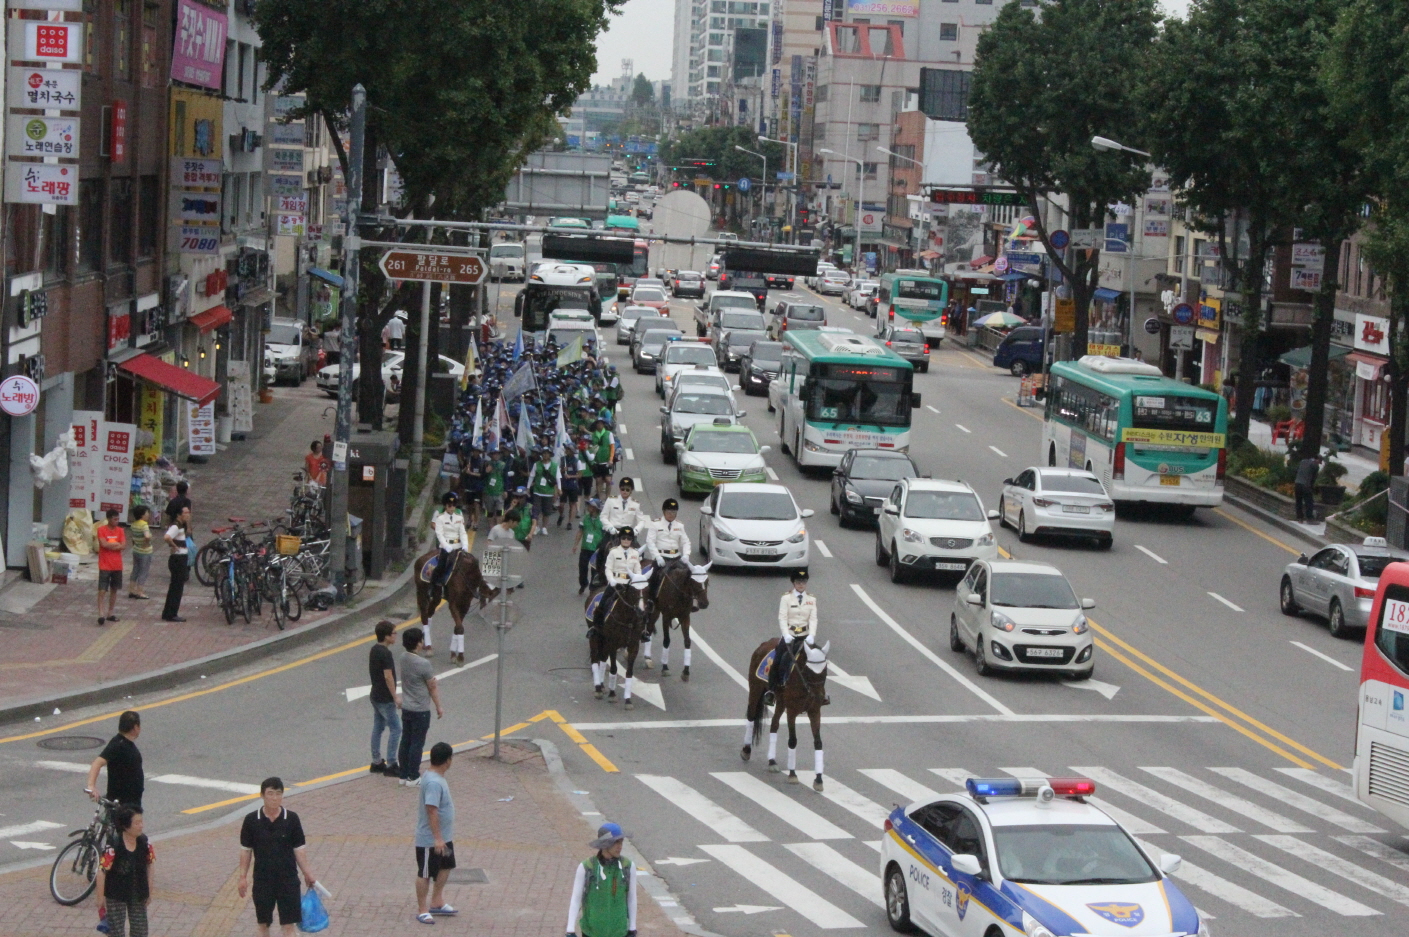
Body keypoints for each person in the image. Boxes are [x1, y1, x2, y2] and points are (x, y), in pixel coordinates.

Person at [238, 778, 319, 937]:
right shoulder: (251, 820)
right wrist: (242, 877)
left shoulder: (292, 819)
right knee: (263, 925)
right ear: (262, 795)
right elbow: (246, 850)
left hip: (288, 880)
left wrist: (308, 873)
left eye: (278, 794)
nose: (274, 798)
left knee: (289, 926)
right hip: (262, 880)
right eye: (270, 794)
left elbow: (299, 850)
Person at [564, 822, 637, 937]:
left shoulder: (627, 866)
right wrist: (570, 929)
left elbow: (631, 897)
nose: (620, 846)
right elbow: (576, 898)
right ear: (605, 844)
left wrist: (632, 927)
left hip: (619, 932)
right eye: (615, 842)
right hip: (591, 932)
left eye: (621, 841)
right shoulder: (587, 867)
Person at [414, 742, 458, 924]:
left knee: (446, 866)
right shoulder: (433, 782)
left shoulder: (435, 776)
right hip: (430, 840)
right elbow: (432, 810)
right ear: (447, 761)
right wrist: (437, 838)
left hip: (444, 837)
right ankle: (423, 909)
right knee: (425, 873)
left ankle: (437, 901)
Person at [95, 805, 154, 937]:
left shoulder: (144, 842)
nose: (141, 826)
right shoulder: (114, 844)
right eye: (137, 823)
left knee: (140, 931)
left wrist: (149, 889)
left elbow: (150, 864)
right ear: (126, 826)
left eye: (141, 822)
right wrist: (100, 898)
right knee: (116, 932)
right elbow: (102, 871)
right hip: (116, 893)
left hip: (138, 891)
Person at [765, 569, 821, 707]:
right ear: (793, 583)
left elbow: (813, 619)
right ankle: (771, 691)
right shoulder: (786, 598)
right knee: (779, 660)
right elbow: (782, 617)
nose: (801, 584)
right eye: (798, 582)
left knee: (820, 660)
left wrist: (812, 635)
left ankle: (821, 692)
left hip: (805, 637)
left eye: (803, 582)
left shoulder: (811, 599)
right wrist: (786, 634)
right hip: (790, 635)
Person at [396, 627, 442, 785]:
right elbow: (432, 687)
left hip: (407, 707)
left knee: (406, 741)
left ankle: (403, 775)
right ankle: (413, 776)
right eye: (421, 640)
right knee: (417, 743)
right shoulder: (424, 663)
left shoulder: (403, 657)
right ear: (418, 643)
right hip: (420, 709)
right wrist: (438, 706)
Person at [590, 526, 642, 639]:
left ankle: (642, 631)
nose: (626, 541)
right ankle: (596, 627)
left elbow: (637, 569)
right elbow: (608, 568)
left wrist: (636, 579)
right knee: (603, 603)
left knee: (640, 606)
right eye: (624, 538)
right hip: (616, 582)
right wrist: (612, 580)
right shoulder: (613, 552)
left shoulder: (635, 554)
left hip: (629, 584)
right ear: (620, 539)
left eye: (628, 538)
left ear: (631, 540)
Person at [86, 710, 144, 809]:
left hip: (131, 801)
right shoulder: (118, 745)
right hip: (122, 805)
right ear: (135, 727)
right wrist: (91, 786)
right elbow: (97, 763)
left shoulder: (123, 743)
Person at [644, 498, 691, 615]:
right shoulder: (655, 524)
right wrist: (657, 557)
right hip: (662, 557)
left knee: (690, 575)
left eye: (674, 512)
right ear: (664, 512)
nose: (672, 515)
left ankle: (690, 600)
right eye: (669, 512)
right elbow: (650, 541)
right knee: (654, 576)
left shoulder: (679, 525)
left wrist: (686, 555)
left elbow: (685, 542)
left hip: (676, 557)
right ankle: (650, 600)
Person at [369, 620, 401, 777]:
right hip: (385, 698)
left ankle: (376, 761)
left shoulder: (374, 650)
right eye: (394, 633)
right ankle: (391, 763)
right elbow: (388, 676)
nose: (396, 636)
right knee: (396, 728)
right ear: (387, 636)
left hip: (375, 695)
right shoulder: (386, 653)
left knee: (378, 727)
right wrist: (395, 696)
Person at [429, 492, 470, 608]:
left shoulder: (459, 514)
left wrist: (465, 545)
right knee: (443, 565)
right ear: (445, 505)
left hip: (458, 544)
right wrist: (446, 545)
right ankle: (434, 585)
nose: (452, 507)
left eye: (454, 504)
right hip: (445, 544)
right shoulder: (439, 514)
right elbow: (436, 528)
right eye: (449, 504)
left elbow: (462, 531)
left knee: (469, 563)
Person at [95, 508, 126, 626]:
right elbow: (103, 544)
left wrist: (111, 545)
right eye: (114, 519)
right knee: (102, 590)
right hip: (105, 564)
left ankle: (110, 612)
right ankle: (101, 613)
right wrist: (116, 544)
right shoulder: (101, 530)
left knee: (114, 589)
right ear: (108, 519)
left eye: (118, 519)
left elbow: (123, 545)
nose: (117, 521)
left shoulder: (120, 531)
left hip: (117, 565)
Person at [161, 506, 191, 622]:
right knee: (177, 587)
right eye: (185, 513)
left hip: (180, 558)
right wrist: (174, 546)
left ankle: (168, 612)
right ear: (179, 515)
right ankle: (172, 613)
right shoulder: (176, 526)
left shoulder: (181, 525)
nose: (188, 515)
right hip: (178, 559)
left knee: (175, 586)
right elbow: (167, 537)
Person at [574, 499, 606, 595]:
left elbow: (605, 535)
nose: (588, 507)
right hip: (585, 548)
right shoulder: (585, 518)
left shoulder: (603, 520)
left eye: (590, 506)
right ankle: (583, 584)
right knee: (582, 568)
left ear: (595, 508)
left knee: (595, 570)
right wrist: (575, 545)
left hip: (596, 550)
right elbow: (580, 531)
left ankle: (593, 588)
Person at [528, 448, 560, 537]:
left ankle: (544, 527)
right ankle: (536, 526)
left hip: (548, 492)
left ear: (550, 455)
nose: (545, 455)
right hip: (537, 491)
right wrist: (528, 487)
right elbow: (531, 476)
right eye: (544, 453)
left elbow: (558, 479)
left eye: (547, 453)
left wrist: (558, 490)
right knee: (536, 510)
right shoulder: (536, 464)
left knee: (546, 511)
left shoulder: (554, 466)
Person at [127, 505, 153, 601]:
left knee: (135, 570)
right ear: (142, 515)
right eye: (147, 513)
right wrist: (146, 543)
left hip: (136, 550)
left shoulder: (133, 525)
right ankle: (140, 591)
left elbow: (133, 538)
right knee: (143, 571)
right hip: (145, 552)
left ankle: (131, 590)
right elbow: (147, 536)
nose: (148, 514)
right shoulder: (144, 525)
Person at [458, 447, 485, 528]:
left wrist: (471, 473)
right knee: (469, 505)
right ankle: (470, 519)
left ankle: (476, 522)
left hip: (477, 486)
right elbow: (462, 472)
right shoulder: (468, 460)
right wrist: (466, 468)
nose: (475, 453)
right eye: (474, 451)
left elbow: (482, 475)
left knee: (476, 504)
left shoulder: (482, 462)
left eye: (477, 451)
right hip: (469, 485)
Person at [1294, 452, 1321, 522]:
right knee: (1309, 502)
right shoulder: (1315, 465)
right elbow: (1313, 478)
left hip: (1297, 483)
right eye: (1319, 462)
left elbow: (1296, 470)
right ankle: (1310, 518)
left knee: (1298, 501)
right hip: (1306, 485)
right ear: (1317, 460)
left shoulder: (1303, 461)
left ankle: (1300, 518)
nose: (1319, 464)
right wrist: (1312, 488)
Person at [482, 451, 506, 526]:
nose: (496, 455)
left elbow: (506, 478)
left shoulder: (503, 465)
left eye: (497, 454)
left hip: (499, 491)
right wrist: (486, 472)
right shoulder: (486, 464)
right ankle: (491, 528)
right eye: (494, 454)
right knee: (489, 512)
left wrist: (505, 490)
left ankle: (498, 527)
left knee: (499, 511)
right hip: (489, 491)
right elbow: (481, 477)